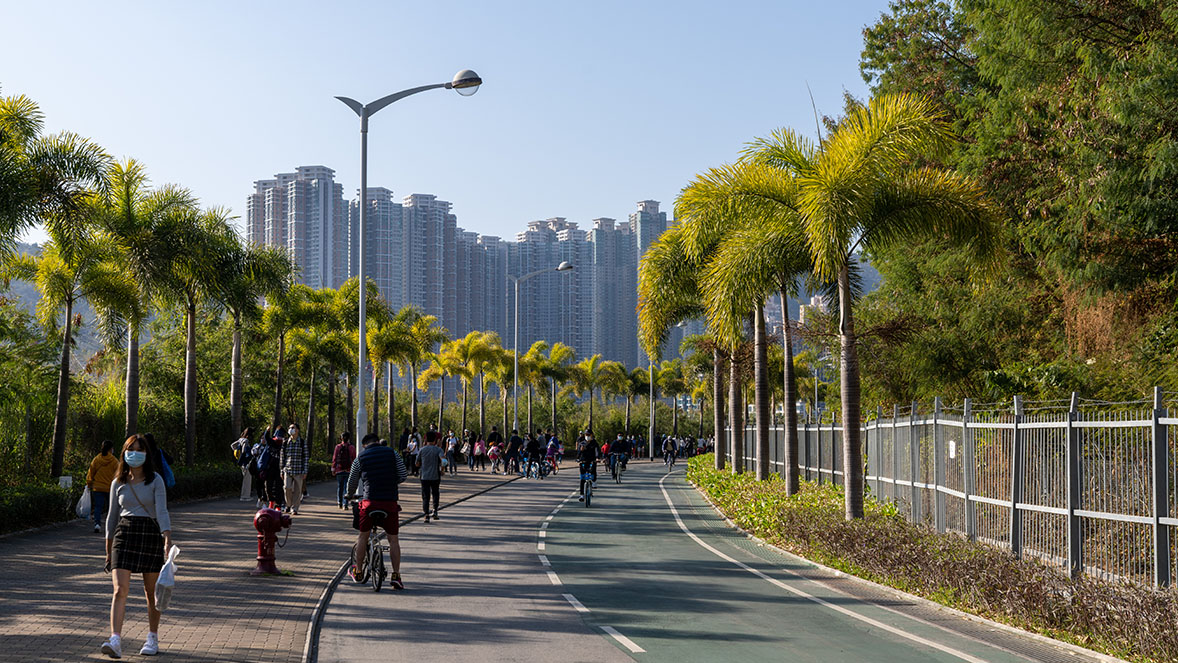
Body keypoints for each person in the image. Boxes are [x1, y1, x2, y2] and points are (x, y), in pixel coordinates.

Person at [101, 434, 173, 658]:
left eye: (140, 449)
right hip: (124, 535)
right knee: (119, 590)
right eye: (131, 449)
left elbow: (162, 511)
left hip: (149, 534)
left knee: (151, 592)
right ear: (124, 452)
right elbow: (112, 518)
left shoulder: (156, 481)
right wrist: (107, 548)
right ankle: (115, 640)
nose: (135, 453)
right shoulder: (117, 483)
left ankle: (152, 637)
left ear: (147, 454)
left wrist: (167, 538)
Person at [345, 432, 408, 589]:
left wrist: (349, 494)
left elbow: (352, 481)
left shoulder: (361, 457)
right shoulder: (392, 453)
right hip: (390, 503)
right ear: (378, 442)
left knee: (362, 537)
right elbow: (403, 475)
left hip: (369, 503)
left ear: (364, 445)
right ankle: (396, 576)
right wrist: (392, 481)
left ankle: (358, 571)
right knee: (393, 540)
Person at [86, 440, 119, 534]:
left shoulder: (97, 459)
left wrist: (89, 483)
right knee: (111, 507)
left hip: (97, 487)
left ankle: (97, 524)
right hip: (110, 488)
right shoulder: (114, 461)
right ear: (111, 449)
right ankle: (111, 525)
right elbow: (118, 475)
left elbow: (91, 472)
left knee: (98, 507)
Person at [281, 423, 309, 515]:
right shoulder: (285, 442)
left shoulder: (302, 442)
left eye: (293, 428)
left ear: (297, 430)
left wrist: (305, 470)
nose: (291, 429)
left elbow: (305, 457)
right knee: (287, 487)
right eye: (289, 428)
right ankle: (288, 505)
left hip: (299, 471)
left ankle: (295, 508)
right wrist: (281, 469)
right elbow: (282, 457)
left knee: (298, 490)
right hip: (287, 470)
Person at [417, 431, 445, 523]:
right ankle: (435, 510)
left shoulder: (422, 450)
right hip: (435, 476)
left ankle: (426, 515)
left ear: (425, 439)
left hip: (424, 476)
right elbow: (443, 461)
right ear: (435, 440)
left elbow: (417, 463)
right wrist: (442, 469)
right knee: (435, 493)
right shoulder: (438, 450)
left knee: (425, 496)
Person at [332, 431, 356, 509]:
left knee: (340, 487)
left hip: (339, 470)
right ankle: (345, 504)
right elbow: (354, 459)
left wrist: (333, 469)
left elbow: (334, 458)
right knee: (346, 488)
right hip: (349, 470)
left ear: (341, 438)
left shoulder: (337, 447)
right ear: (349, 438)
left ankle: (339, 502)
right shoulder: (352, 447)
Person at [231, 428, 254, 502]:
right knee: (247, 479)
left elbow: (232, 445)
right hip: (245, 462)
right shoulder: (246, 441)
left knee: (245, 478)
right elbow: (245, 451)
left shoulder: (240, 439)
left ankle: (244, 495)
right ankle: (245, 496)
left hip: (241, 462)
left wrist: (237, 453)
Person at [576, 434, 599, 502]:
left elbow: (597, 451)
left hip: (592, 460)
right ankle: (582, 495)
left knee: (593, 470)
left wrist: (597, 458)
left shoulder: (594, 443)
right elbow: (578, 453)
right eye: (586, 435)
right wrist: (579, 454)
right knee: (582, 478)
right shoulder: (582, 443)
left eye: (589, 435)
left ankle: (594, 481)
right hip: (583, 461)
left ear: (592, 436)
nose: (588, 436)